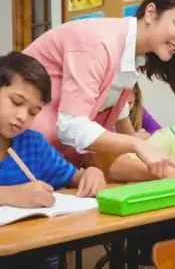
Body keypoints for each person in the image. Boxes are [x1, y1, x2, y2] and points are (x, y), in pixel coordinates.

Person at [23, 0, 175, 173]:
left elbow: (113, 114)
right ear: (151, 13)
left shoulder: (132, 58)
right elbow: (71, 125)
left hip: (51, 162)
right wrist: (137, 144)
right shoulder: (97, 43)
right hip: (20, 154)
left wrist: (172, 166)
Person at [0, 52, 106, 269]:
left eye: (32, 112)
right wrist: (12, 195)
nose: (22, 117)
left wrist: (91, 173)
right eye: (16, 102)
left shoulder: (32, 144)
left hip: (35, 254)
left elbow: (75, 177)